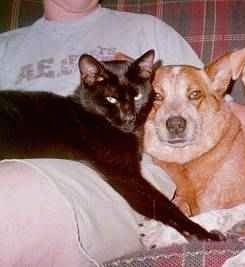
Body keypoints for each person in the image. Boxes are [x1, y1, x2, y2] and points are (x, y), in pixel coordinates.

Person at [0, 1, 203, 266]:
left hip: (120, 180)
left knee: (12, 190)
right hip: (23, 146)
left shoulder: (147, 29)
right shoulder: (5, 47)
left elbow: (215, 105)